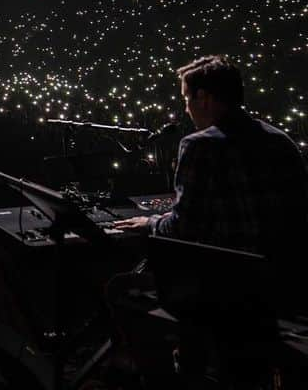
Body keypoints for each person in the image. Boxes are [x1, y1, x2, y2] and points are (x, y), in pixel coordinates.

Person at [107, 55, 308, 383]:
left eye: (187, 99)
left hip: (227, 288)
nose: (186, 108)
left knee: (124, 290)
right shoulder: (280, 139)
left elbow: (185, 228)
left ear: (206, 98)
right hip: (285, 282)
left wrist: (151, 224)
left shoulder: (199, 145)